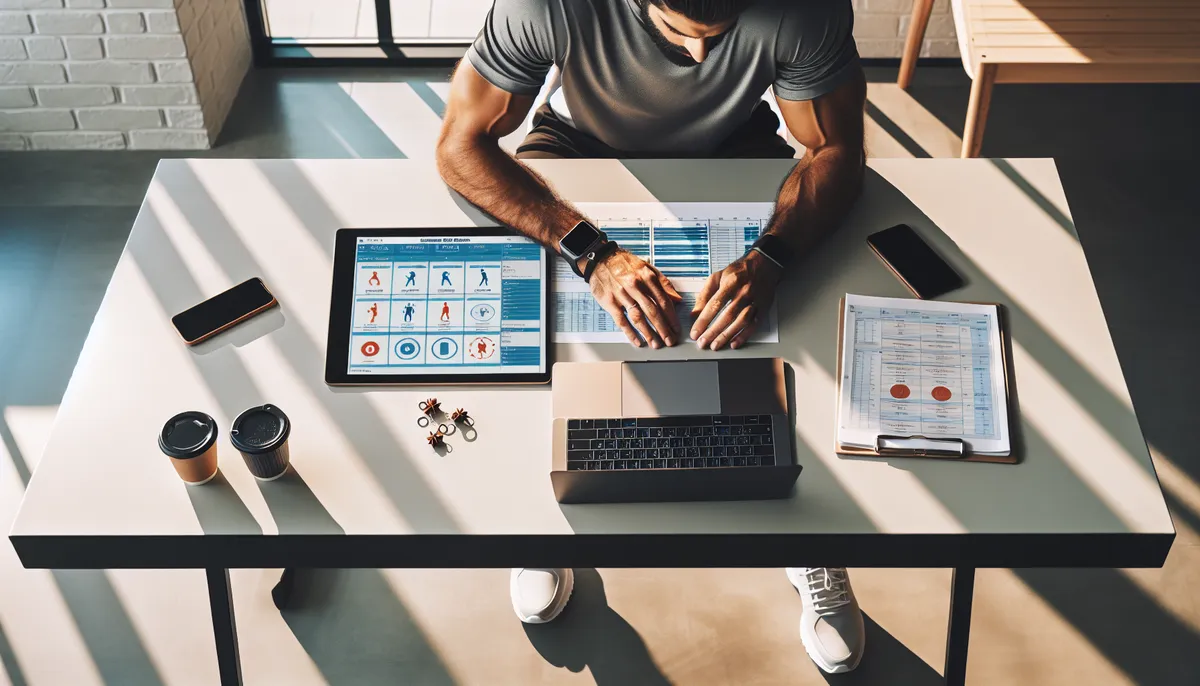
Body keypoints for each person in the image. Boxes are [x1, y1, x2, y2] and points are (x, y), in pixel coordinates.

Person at [437, 0, 867, 674]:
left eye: (720, 39)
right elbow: (460, 145)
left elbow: (837, 148)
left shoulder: (803, 6)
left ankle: (811, 540)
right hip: (580, 144)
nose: (697, 62)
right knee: (553, 339)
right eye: (679, 35)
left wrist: (774, 258)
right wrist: (591, 252)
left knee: (780, 341)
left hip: (733, 145)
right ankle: (547, 521)